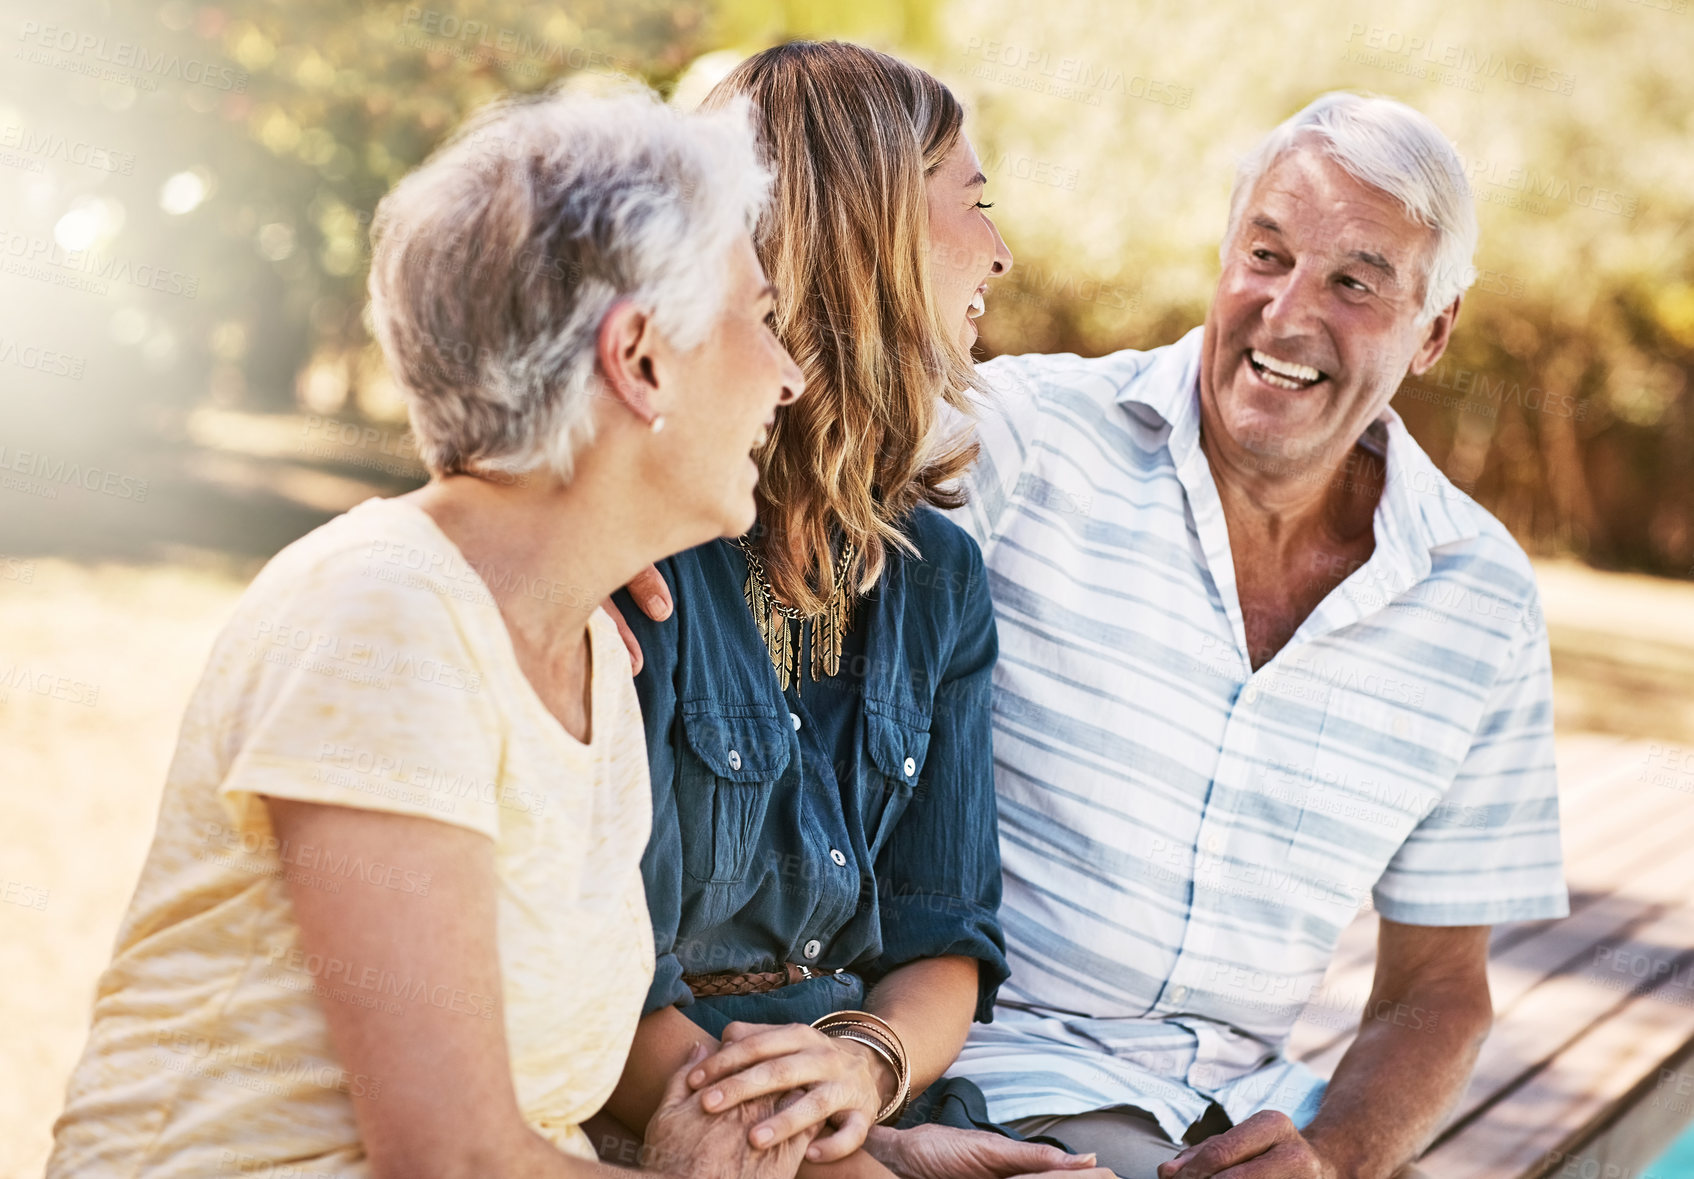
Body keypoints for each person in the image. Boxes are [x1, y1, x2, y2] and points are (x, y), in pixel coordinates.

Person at [47, 87, 812, 1179]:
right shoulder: (385, 617)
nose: (788, 374)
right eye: (762, 315)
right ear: (639, 356)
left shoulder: (586, 642)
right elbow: (452, 1161)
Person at [932, 92, 1569, 1178]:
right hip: (990, 1075)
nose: (1283, 315)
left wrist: (1333, 1156)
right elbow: (784, 513)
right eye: (1264, 254)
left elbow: (1437, 987)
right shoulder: (1022, 441)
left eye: (1353, 283)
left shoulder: (1478, 598)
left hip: (1245, 1112)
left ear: (1433, 332)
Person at [598, 40, 1109, 1179]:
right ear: (864, 237)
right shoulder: (643, 559)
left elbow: (945, 941)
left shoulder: (936, 577)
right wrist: (832, 1145)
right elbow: (598, 989)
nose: (999, 250)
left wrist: (867, 1074)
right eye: (971, 206)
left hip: (855, 1110)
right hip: (656, 1116)